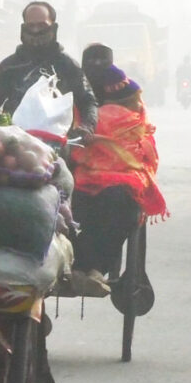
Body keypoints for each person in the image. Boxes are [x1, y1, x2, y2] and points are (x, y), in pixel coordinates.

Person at [66, 44, 167, 296]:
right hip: (85, 173)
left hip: (109, 177)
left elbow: (141, 137)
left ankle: (90, 268)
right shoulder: (72, 89)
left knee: (117, 205)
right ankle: (83, 267)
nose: (96, 68)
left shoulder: (122, 91)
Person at [0, 1, 98, 136]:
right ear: (23, 28)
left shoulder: (67, 65)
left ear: (54, 28)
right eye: (31, 26)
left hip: (56, 140)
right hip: (15, 140)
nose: (36, 31)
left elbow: (88, 101)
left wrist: (87, 126)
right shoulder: (8, 67)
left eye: (42, 26)